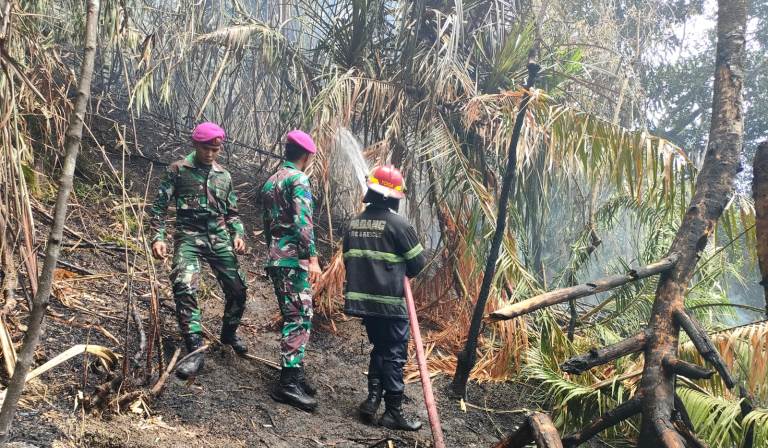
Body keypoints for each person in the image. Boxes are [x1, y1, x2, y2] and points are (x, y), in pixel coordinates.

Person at [149, 122, 248, 380]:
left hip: (218, 238)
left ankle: (228, 334)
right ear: (196, 145)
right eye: (207, 148)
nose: (211, 154)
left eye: (216, 149)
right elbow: (158, 209)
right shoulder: (178, 171)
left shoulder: (223, 176)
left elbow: (233, 213)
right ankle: (195, 348)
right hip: (189, 236)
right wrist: (158, 238)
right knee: (184, 284)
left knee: (238, 288)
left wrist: (238, 234)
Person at [343, 165, 426, 431]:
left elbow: (348, 259)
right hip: (390, 303)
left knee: (380, 348)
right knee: (394, 354)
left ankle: (371, 400)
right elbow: (417, 264)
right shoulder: (398, 225)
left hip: (364, 304)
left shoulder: (354, 223)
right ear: (392, 197)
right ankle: (393, 412)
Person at [261, 130, 322, 411]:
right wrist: (312, 258)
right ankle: (287, 384)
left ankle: (295, 373)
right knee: (299, 316)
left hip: (276, 257)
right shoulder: (299, 179)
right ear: (307, 156)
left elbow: (267, 225)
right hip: (292, 260)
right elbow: (302, 222)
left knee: (293, 314)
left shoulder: (272, 181)